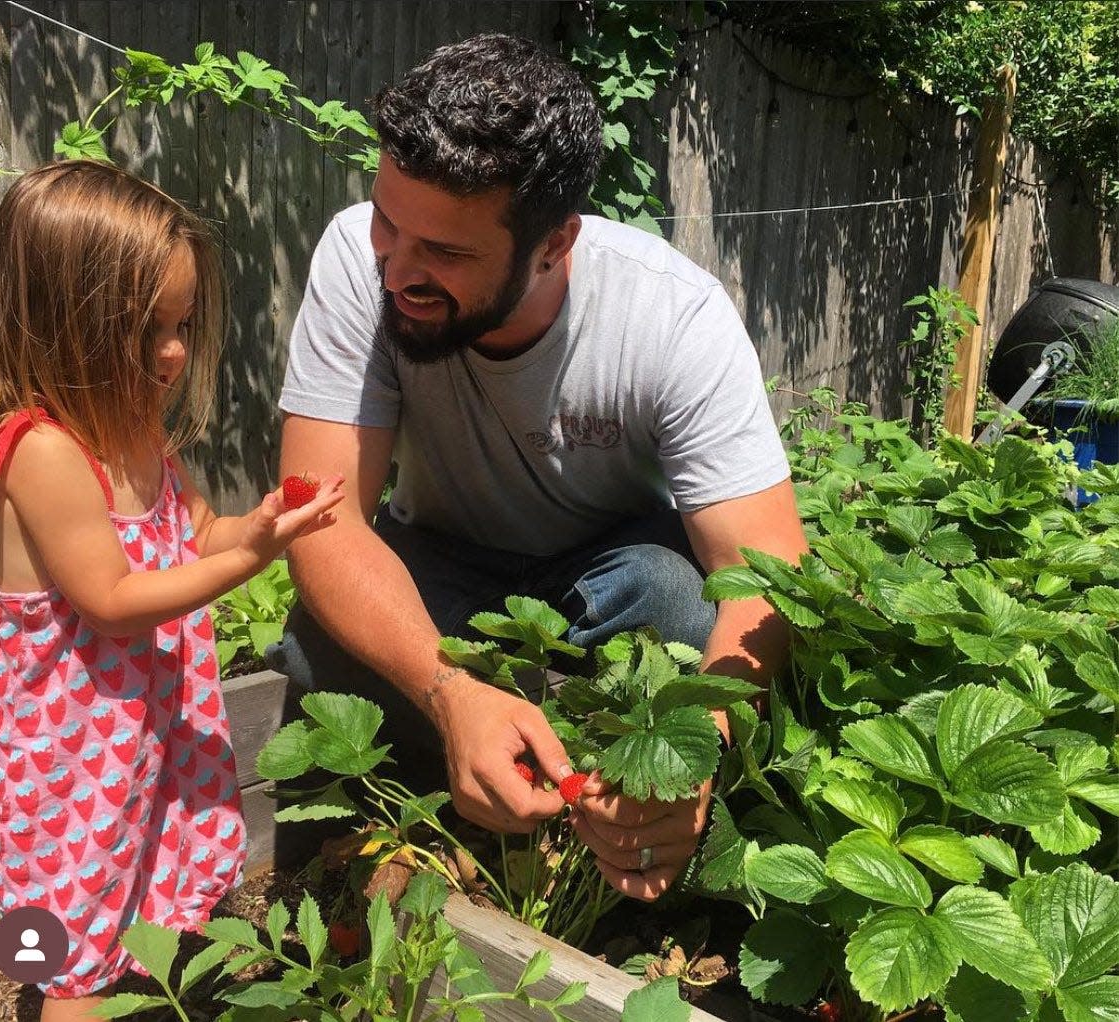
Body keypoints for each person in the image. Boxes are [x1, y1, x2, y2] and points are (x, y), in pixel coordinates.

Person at [272, 33, 808, 902]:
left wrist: (696, 741)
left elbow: (769, 564)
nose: (398, 269)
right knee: (312, 647)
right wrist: (447, 691)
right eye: (387, 221)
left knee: (677, 601)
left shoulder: (674, 318)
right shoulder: (355, 259)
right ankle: (488, 779)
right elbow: (322, 517)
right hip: (440, 568)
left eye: (445, 253)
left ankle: (618, 812)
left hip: (608, 578)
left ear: (556, 243)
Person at [0, 160, 343, 1020]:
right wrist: (248, 567)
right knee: (70, 952)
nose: (173, 351)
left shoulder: (137, 431)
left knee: (102, 910)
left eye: (184, 323)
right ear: (63, 324)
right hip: (56, 755)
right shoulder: (45, 453)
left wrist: (255, 530)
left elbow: (194, 531)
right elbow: (114, 598)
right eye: (144, 331)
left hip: (128, 734)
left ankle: (69, 982)